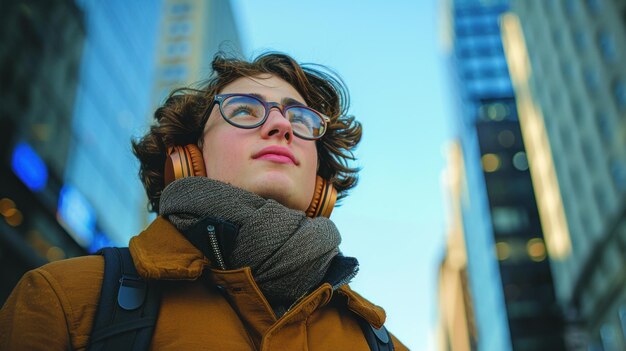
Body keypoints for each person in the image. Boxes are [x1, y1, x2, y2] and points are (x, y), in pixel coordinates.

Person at [0, 52, 408, 350]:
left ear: (321, 185)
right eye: (245, 111)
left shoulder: (379, 342)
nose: (282, 124)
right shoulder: (67, 299)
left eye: (301, 120)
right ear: (189, 157)